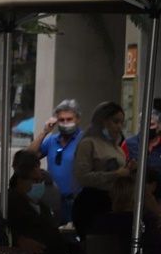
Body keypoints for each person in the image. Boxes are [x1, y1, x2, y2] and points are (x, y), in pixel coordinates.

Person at [72, 101, 133, 235]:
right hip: (93, 202)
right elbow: (82, 177)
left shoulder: (117, 148)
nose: (119, 127)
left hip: (114, 201)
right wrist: (115, 174)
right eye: (115, 122)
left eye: (121, 123)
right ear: (102, 121)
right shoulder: (89, 144)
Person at [27, 99, 84, 224]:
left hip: (76, 201)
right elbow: (28, 157)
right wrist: (44, 132)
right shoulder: (52, 140)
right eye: (62, 120)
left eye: (69, 119)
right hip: (53, 199)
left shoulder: (84, 140)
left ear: (78, 119)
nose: (65, 123)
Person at [126, 102, 161, 195]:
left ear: (159, 126)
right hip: (134, 193)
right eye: (144, 123)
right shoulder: (129, 143)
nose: (148, 127)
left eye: (152, 124)